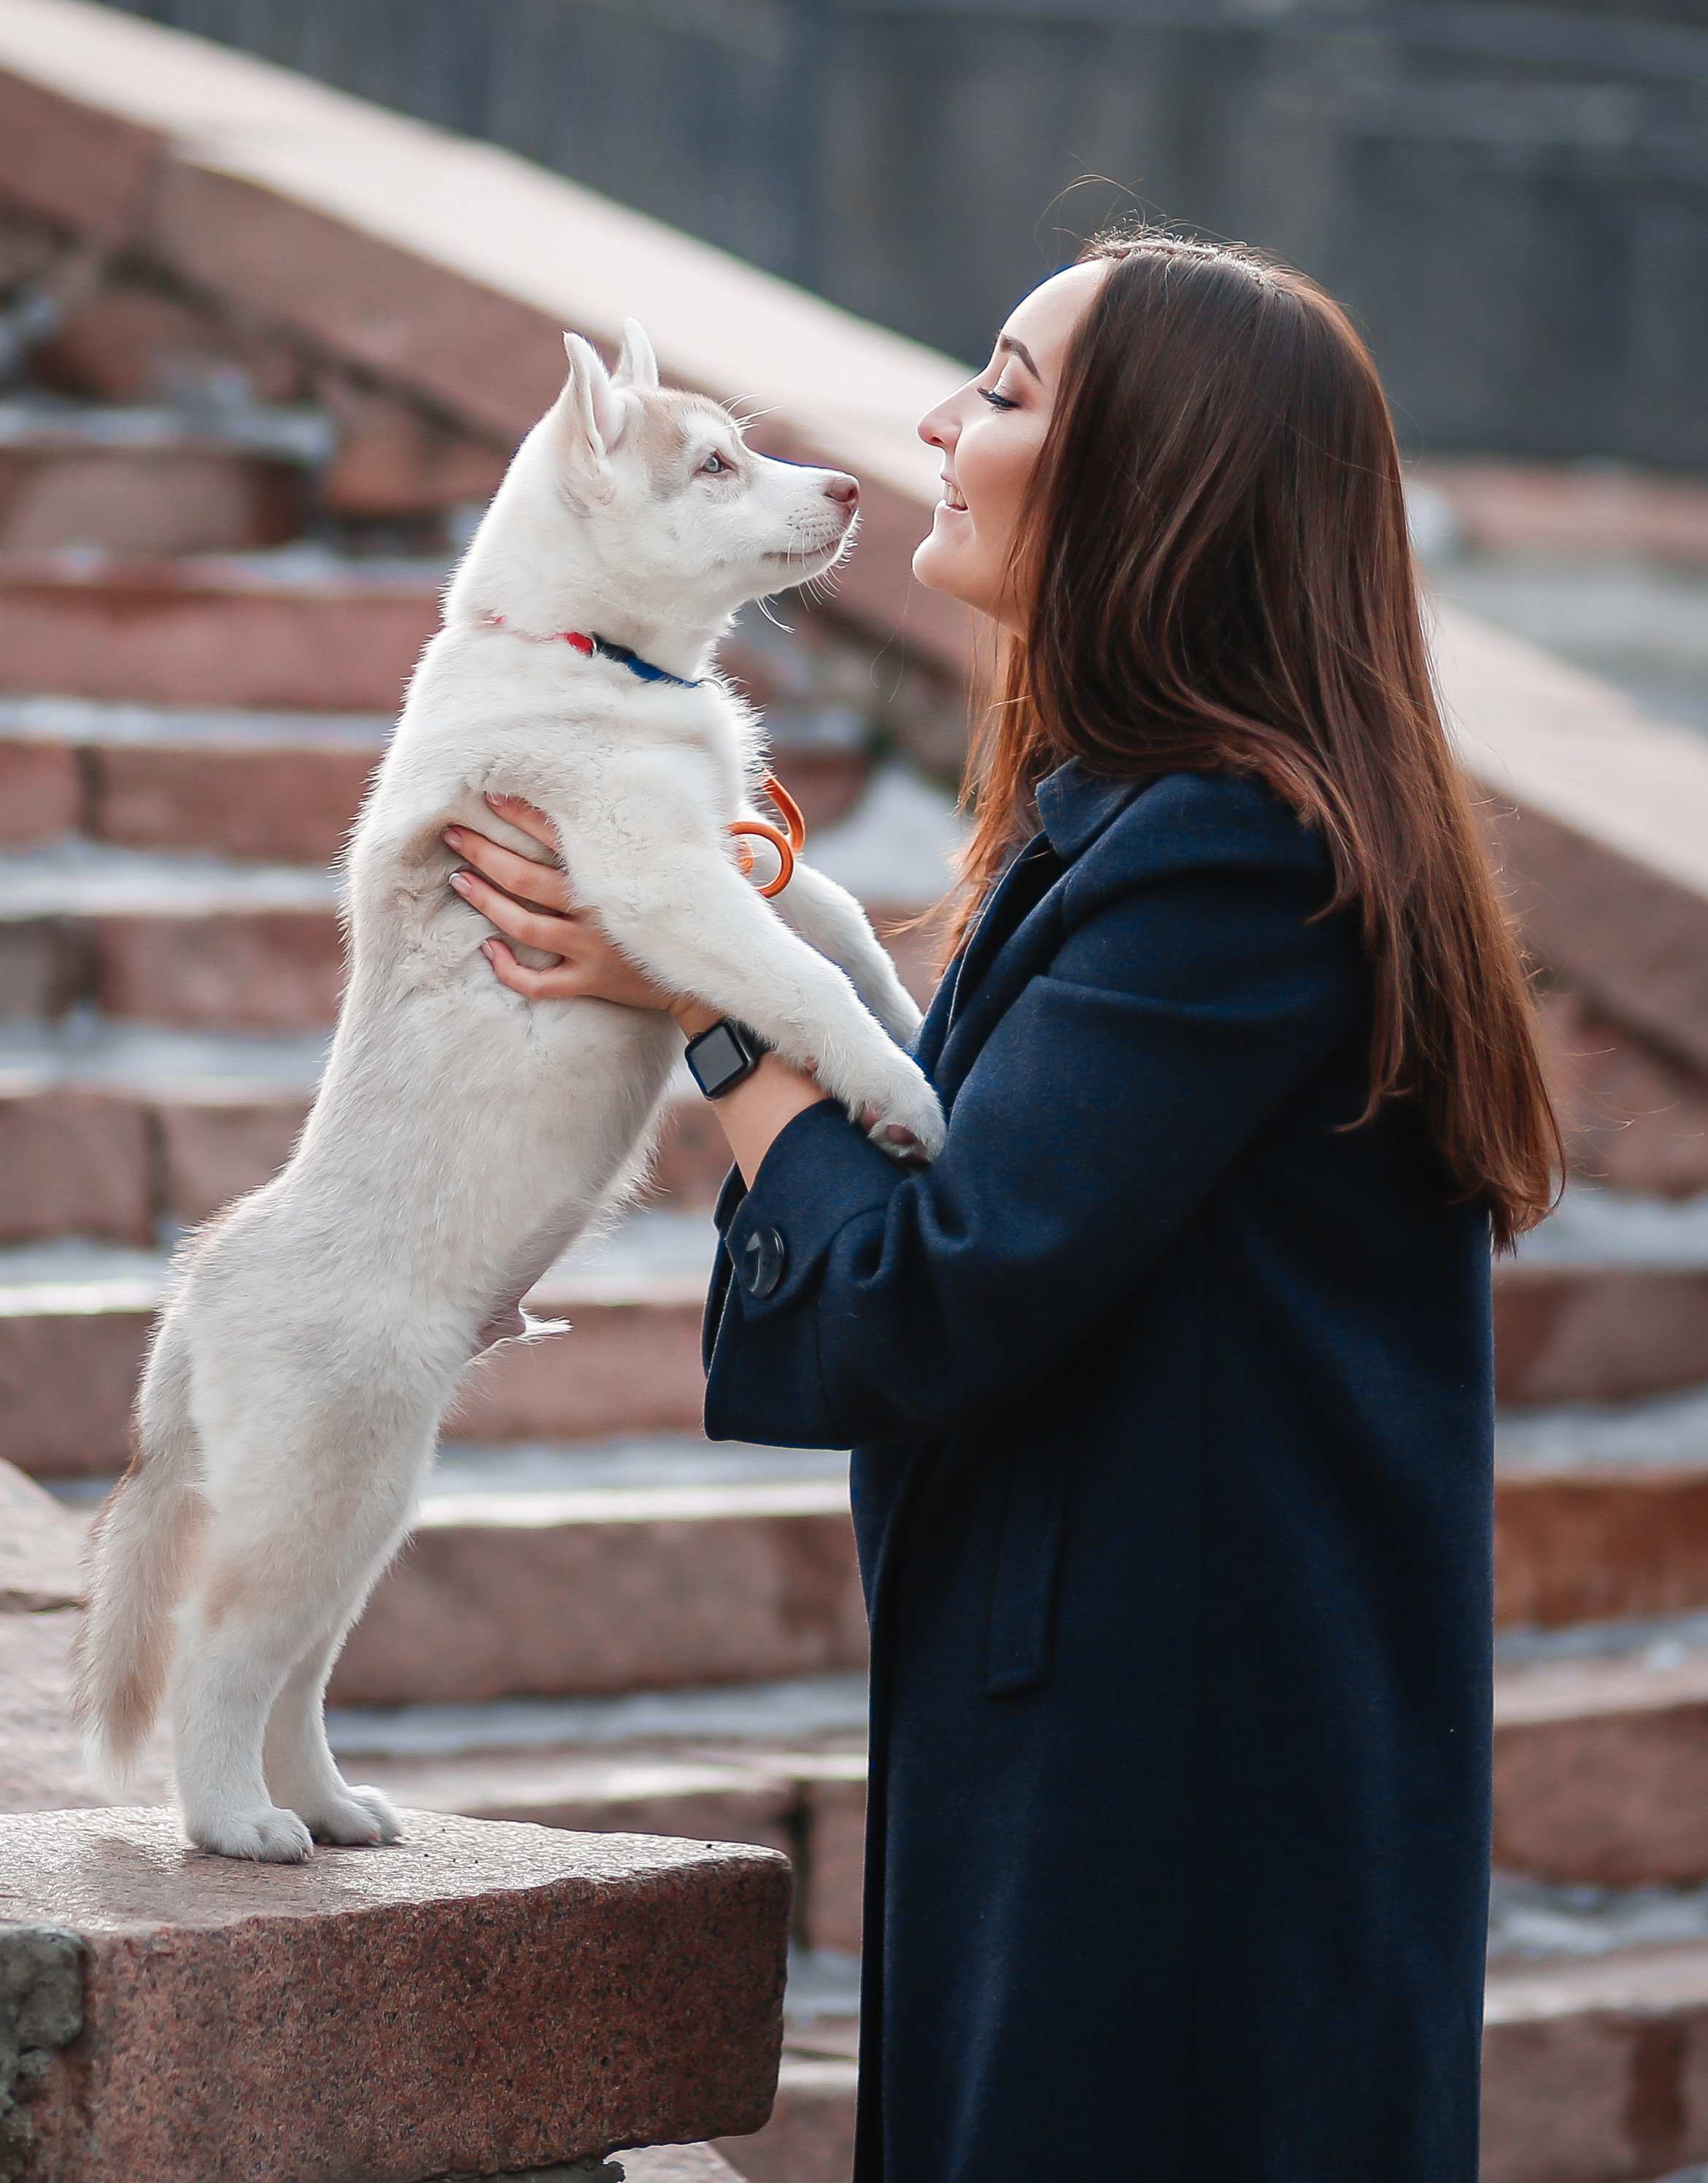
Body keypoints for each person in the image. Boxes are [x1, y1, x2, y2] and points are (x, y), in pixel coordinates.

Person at [444, 232, 1561, 2182]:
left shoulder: (1233, 858)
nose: (943, 429)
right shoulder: (1147, 824)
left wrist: (708, 997)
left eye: (1011, 389)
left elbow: (919, 1296)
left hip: (1177, 1820)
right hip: (1125, 1763)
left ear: (1163, 481)